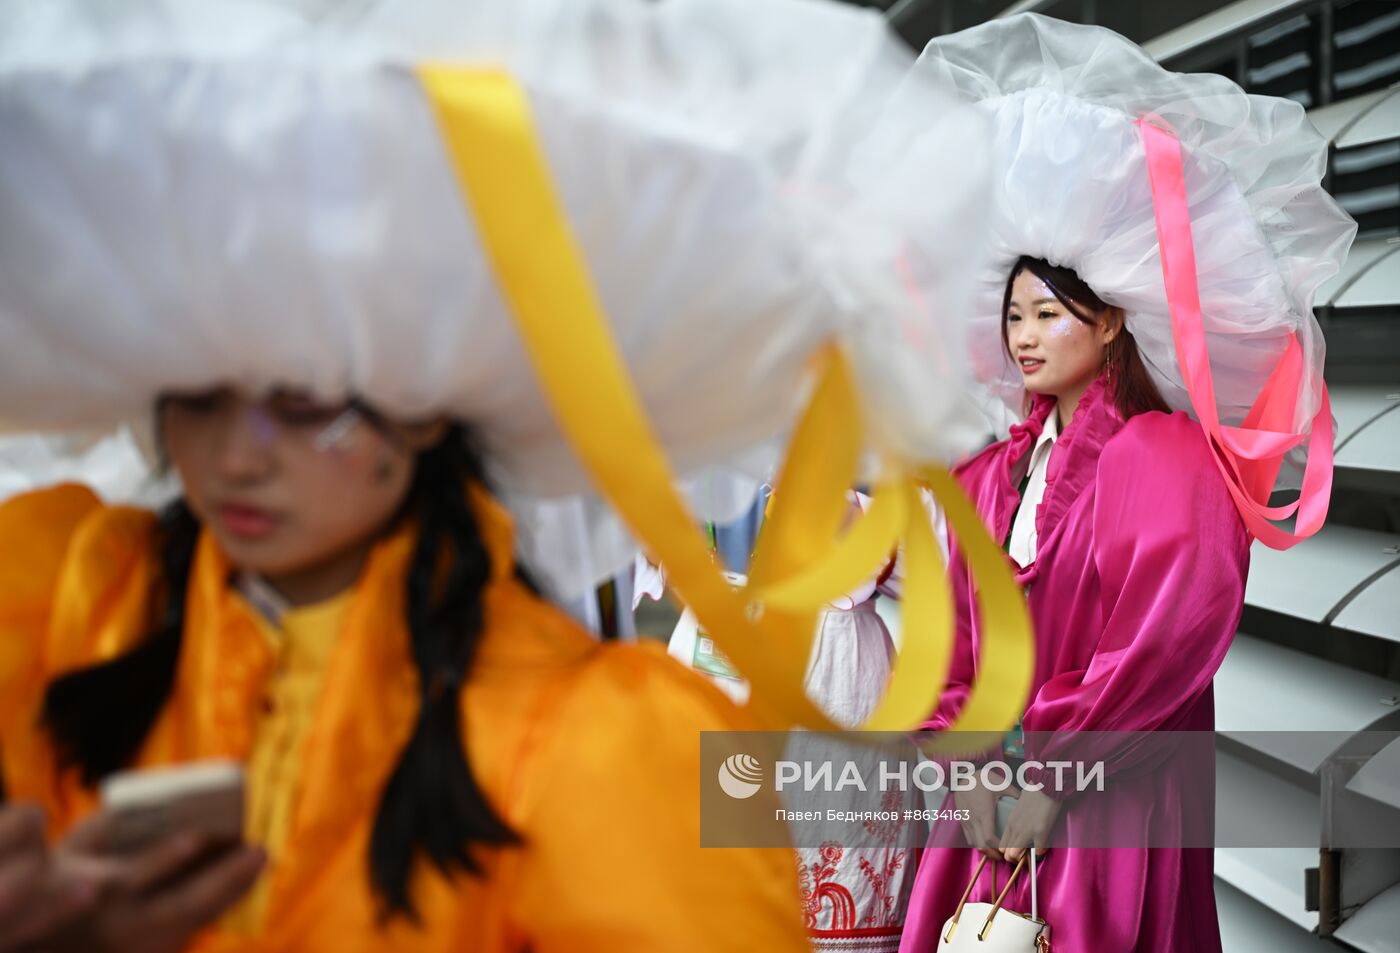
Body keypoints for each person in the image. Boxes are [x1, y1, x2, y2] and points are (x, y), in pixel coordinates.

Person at [0, 0, 997, 949]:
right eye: (199, 396)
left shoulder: (589, 739)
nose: (236, 453)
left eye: (303, 402)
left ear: (423, 403)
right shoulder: (58, 602)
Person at [895, 14, 1354, 953]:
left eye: (1049, 314)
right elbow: (952, 643)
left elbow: (1161, 652)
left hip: (1106, 799)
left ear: (1109, 322)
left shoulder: (1163, 456)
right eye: (1013, 313)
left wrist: (1051, 779)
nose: (1023, 334)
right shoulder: (991, 474)